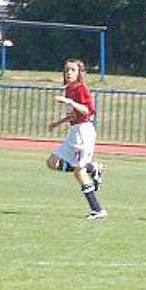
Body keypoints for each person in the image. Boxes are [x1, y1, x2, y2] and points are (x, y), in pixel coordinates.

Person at [46, 58, 107, 220]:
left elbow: (88, 111)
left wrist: (69, 101)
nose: (69, 73)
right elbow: (74, 114)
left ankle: (98, 210)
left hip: (83, 132)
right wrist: (57, 123)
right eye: (67, 70)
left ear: (80, 73)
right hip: (74, 132)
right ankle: (92, 168)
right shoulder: (69, 89)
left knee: (78, 171)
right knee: (52, 162)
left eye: (73, 70)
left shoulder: (81, 89)